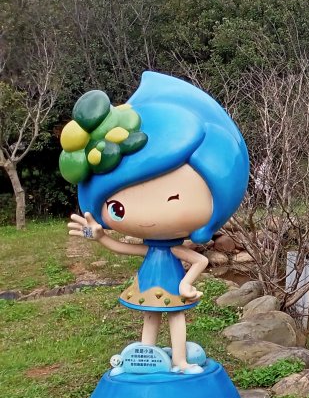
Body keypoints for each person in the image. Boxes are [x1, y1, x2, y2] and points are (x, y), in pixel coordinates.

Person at [63, 72, 249, 375]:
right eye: (118, 207)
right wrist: (97, 235)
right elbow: (124, 248)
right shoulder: (150, 248)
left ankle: (179, 361)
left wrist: (186, 284)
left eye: (173, 197)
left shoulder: (175, 248)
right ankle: (144, 358)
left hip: (171, 285)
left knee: (176, 318)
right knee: (150, 317)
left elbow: (199, 260)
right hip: (151, 284)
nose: (149, 216)